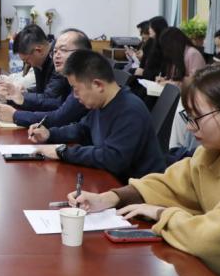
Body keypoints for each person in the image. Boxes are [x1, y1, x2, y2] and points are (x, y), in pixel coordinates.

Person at [68, 63, 220, 276]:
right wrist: (110, 198)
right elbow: (171, 183)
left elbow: (217, 239)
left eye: (197, 118)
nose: (190, 128)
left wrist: (162, 213)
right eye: (188, 118)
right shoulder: (216, 151)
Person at [27, 50, 165, 182]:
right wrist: (49, 134)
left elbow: (112, 158)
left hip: (137, 191)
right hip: (111, 181)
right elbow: (82, 129)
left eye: (76, 89)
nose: (75, 96)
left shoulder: (130, 110)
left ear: (98, 85)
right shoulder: (102, 103)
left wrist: (62, 152)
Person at [0, 28, 91, 128]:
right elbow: (56, 102)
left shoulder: (86, 82)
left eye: (63, 50)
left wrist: (16, 114)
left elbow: (59, 114)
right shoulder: (64, 71)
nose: (56, 55)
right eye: (55, 51)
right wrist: (16, 96)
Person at [0, 25, 70, 111]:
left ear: (38, 50)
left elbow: (50, 99)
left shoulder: (59, 61)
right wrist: (24, 91)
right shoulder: (40, 60)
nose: (28, 65)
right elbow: (41, 91)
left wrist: (18, 95)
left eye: (27, 61)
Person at [135, 15, 168, 80]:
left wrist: (144, 72)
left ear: (157, 28)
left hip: (155, 80)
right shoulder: (151, 42)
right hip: (147, 78)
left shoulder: (164, 45)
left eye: (150, 28)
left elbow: (161, 71)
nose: (148, 30)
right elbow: (144, 64)